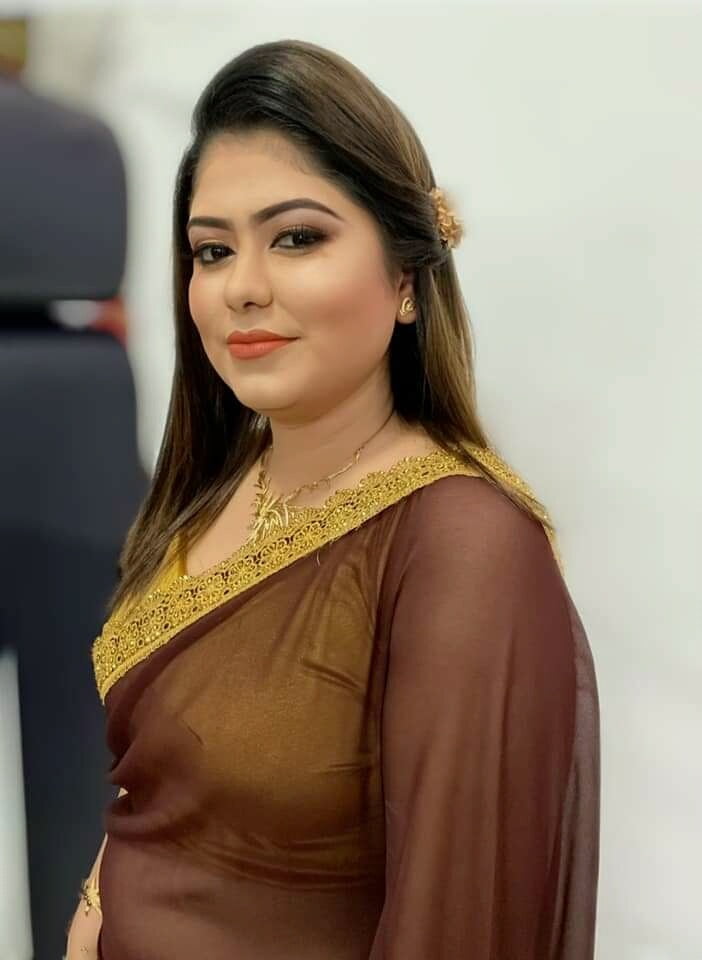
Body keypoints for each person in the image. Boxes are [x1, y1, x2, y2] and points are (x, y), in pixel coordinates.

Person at [66, 38, 600, 960]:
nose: (243, 288)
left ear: (406, 278)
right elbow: (161, 798)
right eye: (212, 250)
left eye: (297, 238)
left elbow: (457, 923)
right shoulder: (213, 490)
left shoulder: (461, 546)